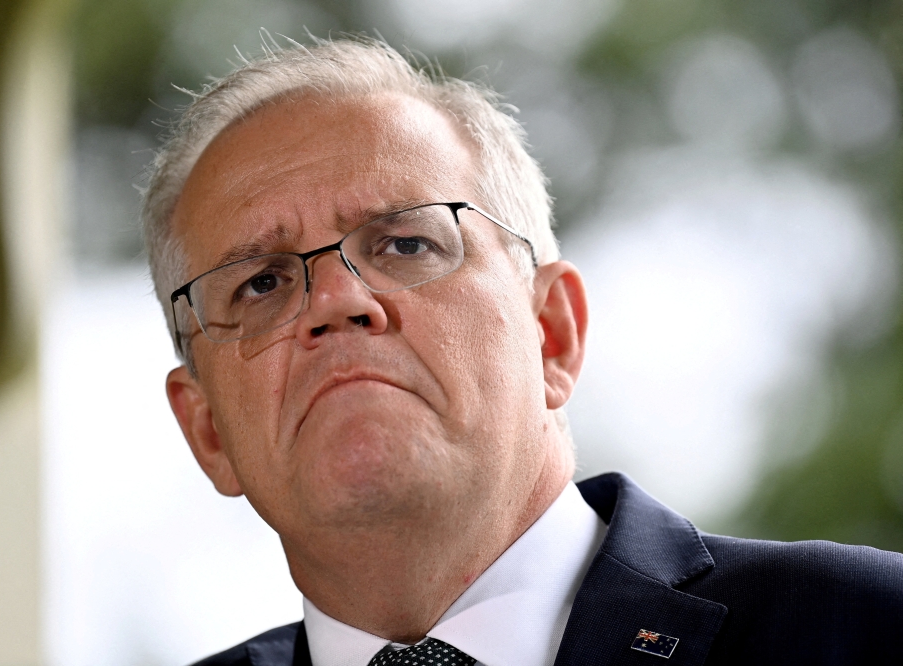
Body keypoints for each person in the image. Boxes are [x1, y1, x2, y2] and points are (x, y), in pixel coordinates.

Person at [140, 37, 903, 666]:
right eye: (262, 284)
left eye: (404, 243)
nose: (336, 299)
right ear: (208, 431)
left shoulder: (867, 628)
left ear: (551, 333)